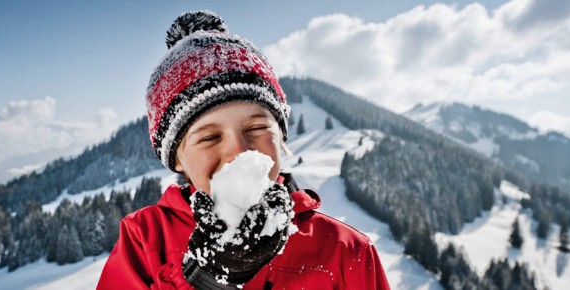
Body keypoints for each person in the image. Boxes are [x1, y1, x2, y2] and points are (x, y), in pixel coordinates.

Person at [98, 10, 390, 289]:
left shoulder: (346, 251)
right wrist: (206, 279)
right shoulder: (144, 240)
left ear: (281, 137)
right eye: (209, 137)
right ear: (177, 160)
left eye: (256, 129)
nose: (239, 151)